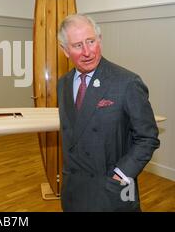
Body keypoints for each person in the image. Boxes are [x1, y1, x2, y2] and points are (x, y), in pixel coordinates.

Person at [56, 14, 160, 212]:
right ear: (65, 50)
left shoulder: (127, 82)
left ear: (99, 40)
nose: (87, 52)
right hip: (74, 191)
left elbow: (148, 138)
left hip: (112, 192)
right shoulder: (63, 83)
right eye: (78, 45)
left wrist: (121, 174)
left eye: (91, 41)